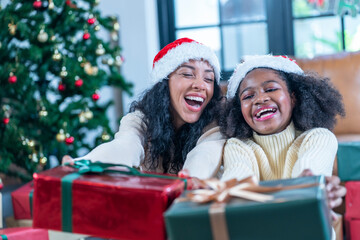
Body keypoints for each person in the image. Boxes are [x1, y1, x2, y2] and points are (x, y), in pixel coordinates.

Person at [63, 38, 225, 178]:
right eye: (188, 74)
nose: (200, 85)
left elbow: (206, 153)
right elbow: (127, 145)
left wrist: (190, 178)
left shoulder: (217, 123)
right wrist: (84, 164)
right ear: (164, 83)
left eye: (209, 78)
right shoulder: (139, 119)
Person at [219, 55, 346, 214]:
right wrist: (230, 192)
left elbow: (309, 174)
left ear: (293, 98)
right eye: (248, 96)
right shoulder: (237, 147)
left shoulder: (320, 137)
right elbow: (237, 179)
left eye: (271, 89)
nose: (260, 99)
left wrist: (310, 183)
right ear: (238, 111)